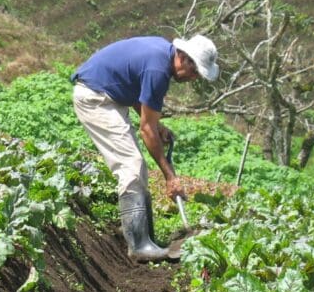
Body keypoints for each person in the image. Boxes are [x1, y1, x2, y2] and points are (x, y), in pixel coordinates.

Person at [71, 35, 219, 261]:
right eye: (195, 70)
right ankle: (139, 246)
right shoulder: (158, 70)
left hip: (108, 95)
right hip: (94, 97)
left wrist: (157, 125)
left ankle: (143, 235)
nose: (194, 77)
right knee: (131, 164)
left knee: (136, 165)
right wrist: (170, 177)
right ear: (182, 56)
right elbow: (146, 129)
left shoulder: (161, 55)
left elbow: (136, 94)